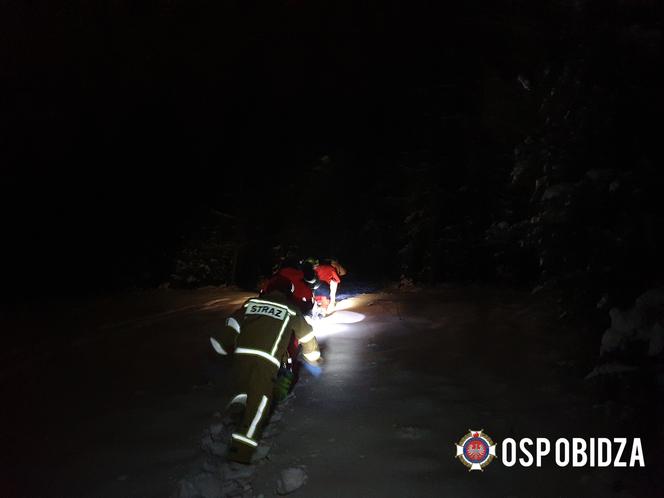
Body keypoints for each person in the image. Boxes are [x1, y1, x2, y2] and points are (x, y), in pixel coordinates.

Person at [209, 275, 321, 464]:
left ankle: (238, 411)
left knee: (242, 388)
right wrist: (314, 357)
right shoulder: (290, 309)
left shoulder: (251, 303)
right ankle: (240, 453)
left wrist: (222, 341)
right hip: (266, 360)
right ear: (288, 293)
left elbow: (233, 323)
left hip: (241, 356)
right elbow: (307, 335)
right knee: (258, 407)